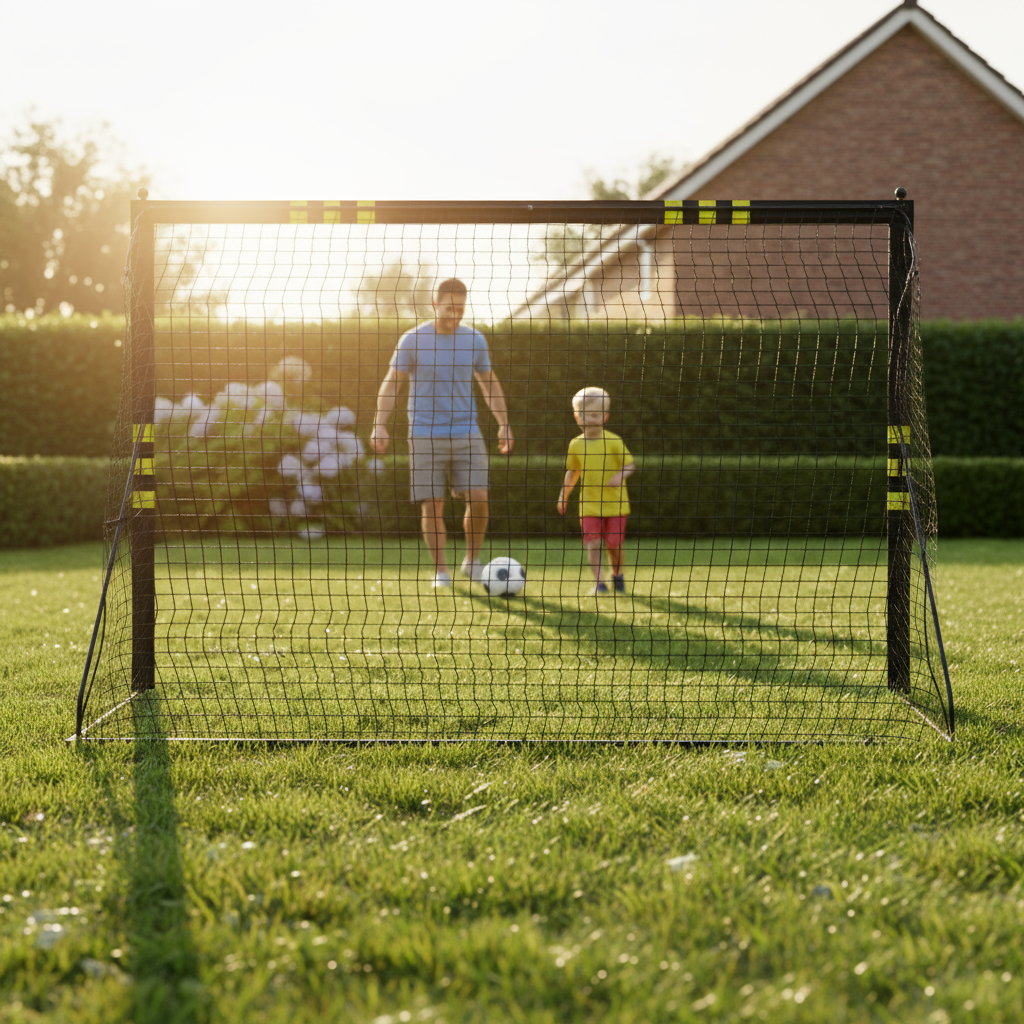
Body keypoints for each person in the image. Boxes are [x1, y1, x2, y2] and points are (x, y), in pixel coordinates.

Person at [371, 278, 513, 588]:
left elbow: (489, 384)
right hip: (423, 434)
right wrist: (379, 423)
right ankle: (441, 572)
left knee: (479, 497)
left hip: (467, 432)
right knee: (432, 503)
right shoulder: (413, 339)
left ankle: (472, 561)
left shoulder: (474, 340)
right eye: (449, 308)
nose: (455, 315)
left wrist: (503, 422)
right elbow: (392, 383)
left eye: (460, 309)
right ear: (435, 305)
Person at [557, 387, 634, 595]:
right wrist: (564, 495)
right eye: (584, 415)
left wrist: (620, 475)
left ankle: (617, 575)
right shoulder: (575, 445)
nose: (589, 419)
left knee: (613, 545)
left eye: (595, 415)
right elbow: (573, 472)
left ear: (605, 416)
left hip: (616, 505)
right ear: (576, 417)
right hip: (589, 505)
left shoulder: (614, 441)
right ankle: (599, 584)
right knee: (592, 543)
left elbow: (630, 465)